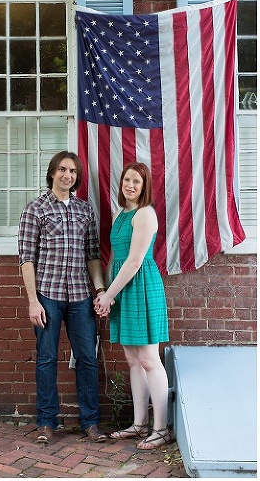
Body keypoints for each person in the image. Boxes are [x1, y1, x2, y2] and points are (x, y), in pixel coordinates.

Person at [18, 151, 108, 445]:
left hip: (81, 296)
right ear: (52, 173)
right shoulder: (36, 210)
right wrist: (33, 300)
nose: (67, 175)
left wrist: (100, 290)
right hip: (48, 296)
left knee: (87, 359)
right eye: (62, 170)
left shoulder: (85, 210)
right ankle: (46, 422)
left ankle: (91, 423)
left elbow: (93, 255)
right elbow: (26, 259)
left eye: (72, 171)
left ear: (76, 177)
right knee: (46, 359)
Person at [94, 162, 172, 450]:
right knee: (132, 361)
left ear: (144, 186)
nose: (130, 185)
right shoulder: (120, 214)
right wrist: (105, 292)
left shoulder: (145, 214)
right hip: (121, 289)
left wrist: (108, 294)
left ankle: (161, 428)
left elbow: (135, 261)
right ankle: (139, 424)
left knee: (150, 359)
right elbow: (114, 258)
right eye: (126, 179)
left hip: (141, 287)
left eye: (136, 181)